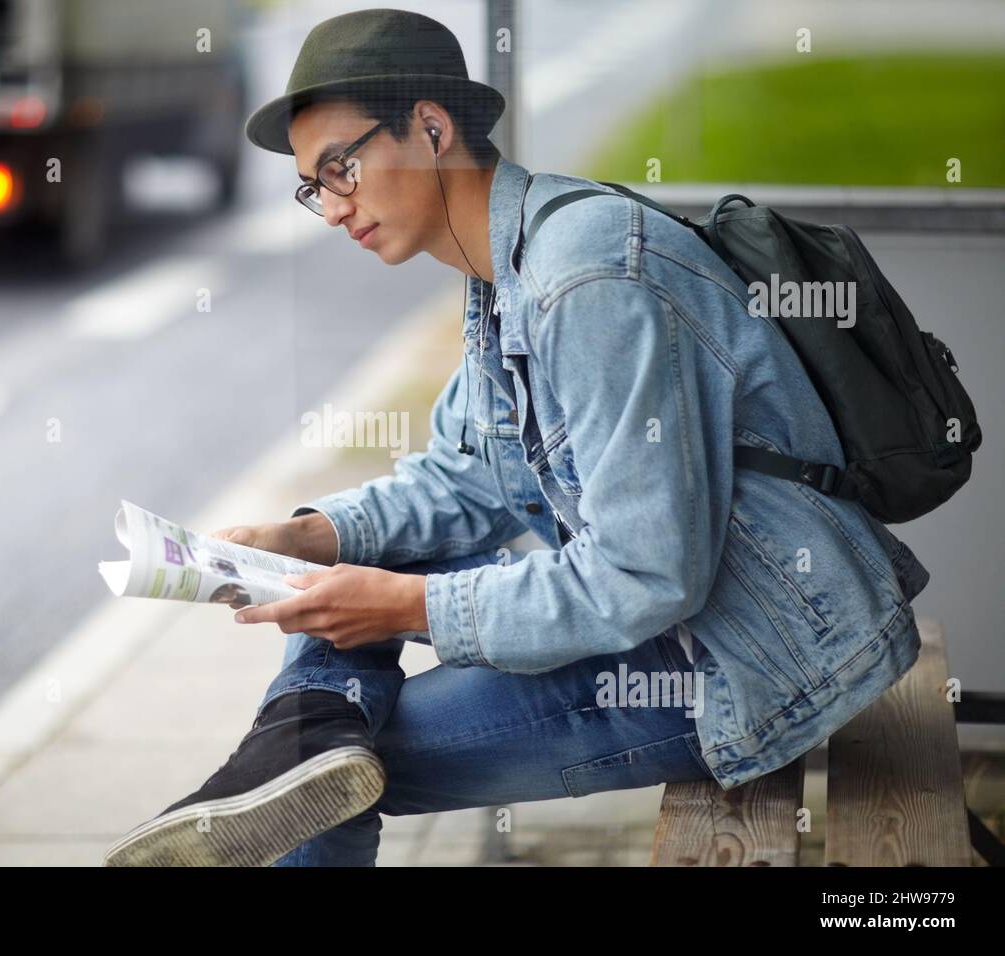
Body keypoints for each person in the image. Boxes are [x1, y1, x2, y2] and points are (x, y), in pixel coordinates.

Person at [103, 8, 927, 867]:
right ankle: (298, 736)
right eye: (315, 185)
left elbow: (647, 576)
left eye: (342, 168)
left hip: (747, 655)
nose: (332, 206)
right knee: (342, 649)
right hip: (688, 614)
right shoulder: (510, 267)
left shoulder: (584, 279)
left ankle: (296, 745)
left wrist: (404, 606)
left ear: (429, 128)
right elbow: (463, 482)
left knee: (327, 777)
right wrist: (305, 538)